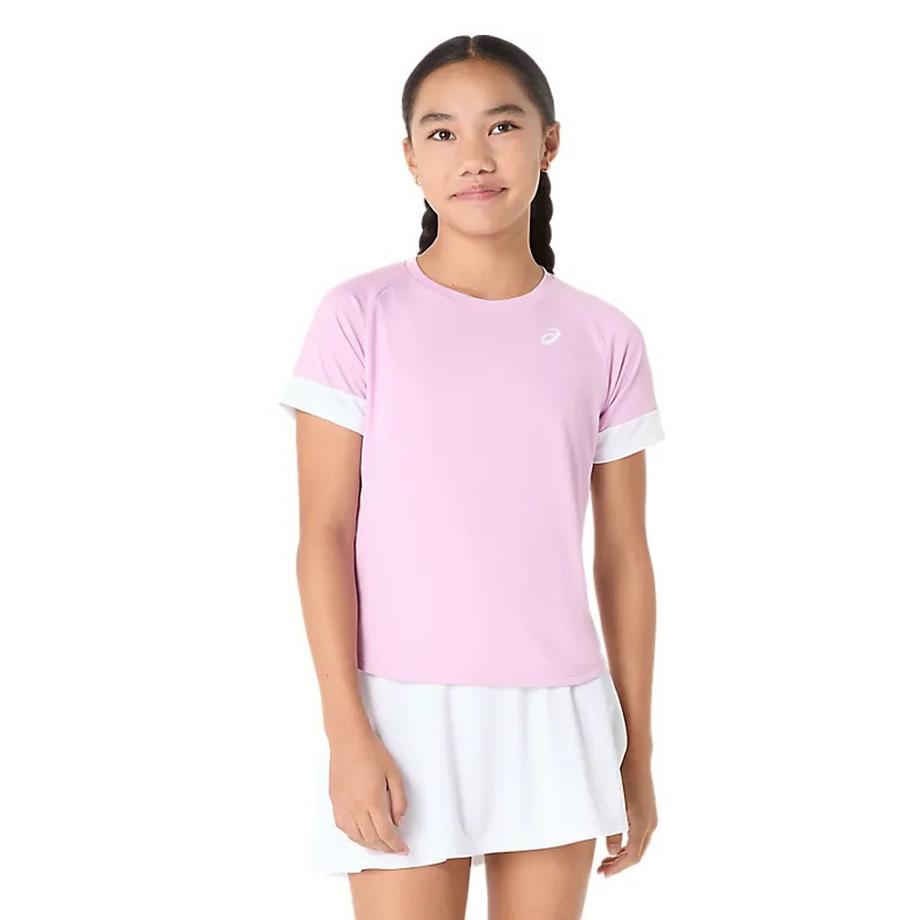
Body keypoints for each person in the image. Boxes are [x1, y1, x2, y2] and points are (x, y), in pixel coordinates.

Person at [279, 34, 665, 920]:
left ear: (549, 142)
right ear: (410, 156)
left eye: (502, 126)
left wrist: (637, 752)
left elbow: (624, 557)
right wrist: (347, 730)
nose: (475, 157)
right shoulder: (359, 317)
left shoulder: (605, 337)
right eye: (443, 133)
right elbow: (324, 535)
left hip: (558, 714)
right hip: (400, 712)